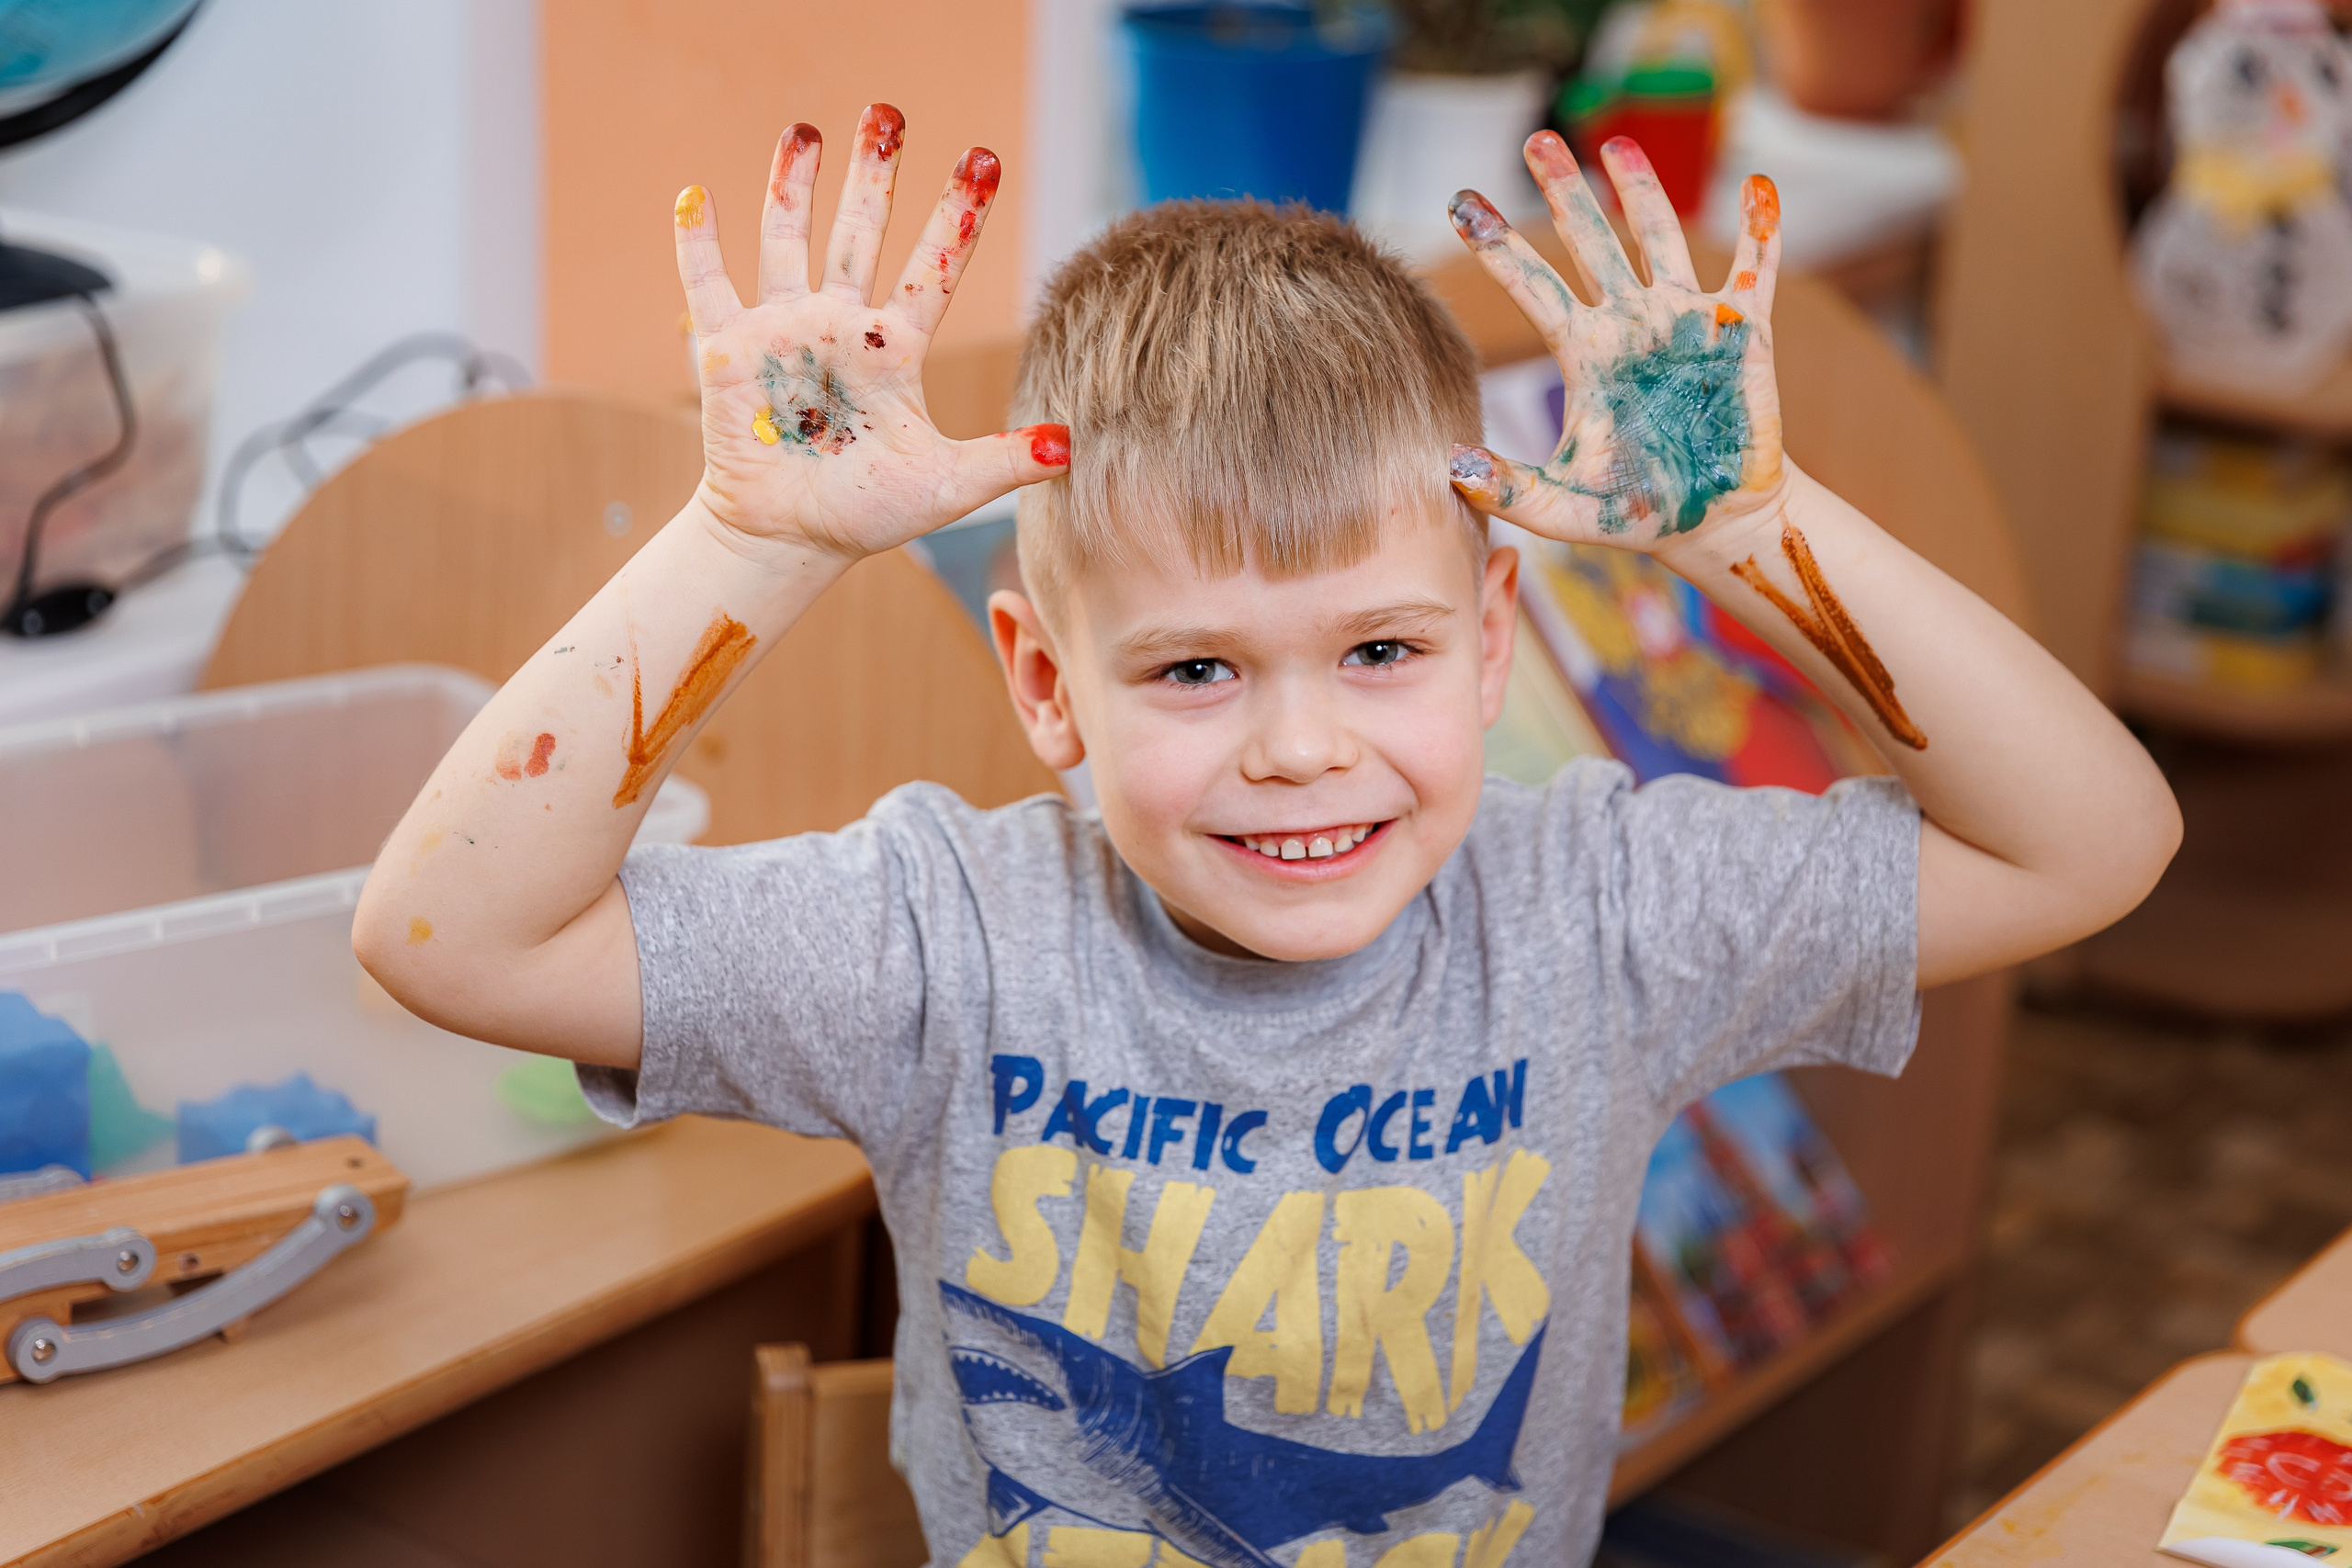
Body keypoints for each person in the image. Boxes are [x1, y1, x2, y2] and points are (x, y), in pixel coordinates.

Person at [354, 103, 2180, 1568]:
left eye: (1377, 650)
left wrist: (1753, 529)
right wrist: (750, 542)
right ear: (1048, 687)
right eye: (1196, 668)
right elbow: (448, 937)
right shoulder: (950, 940)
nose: (1300, 748)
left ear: (1487, 641)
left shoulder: (1600, 905)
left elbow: (2089, 847)